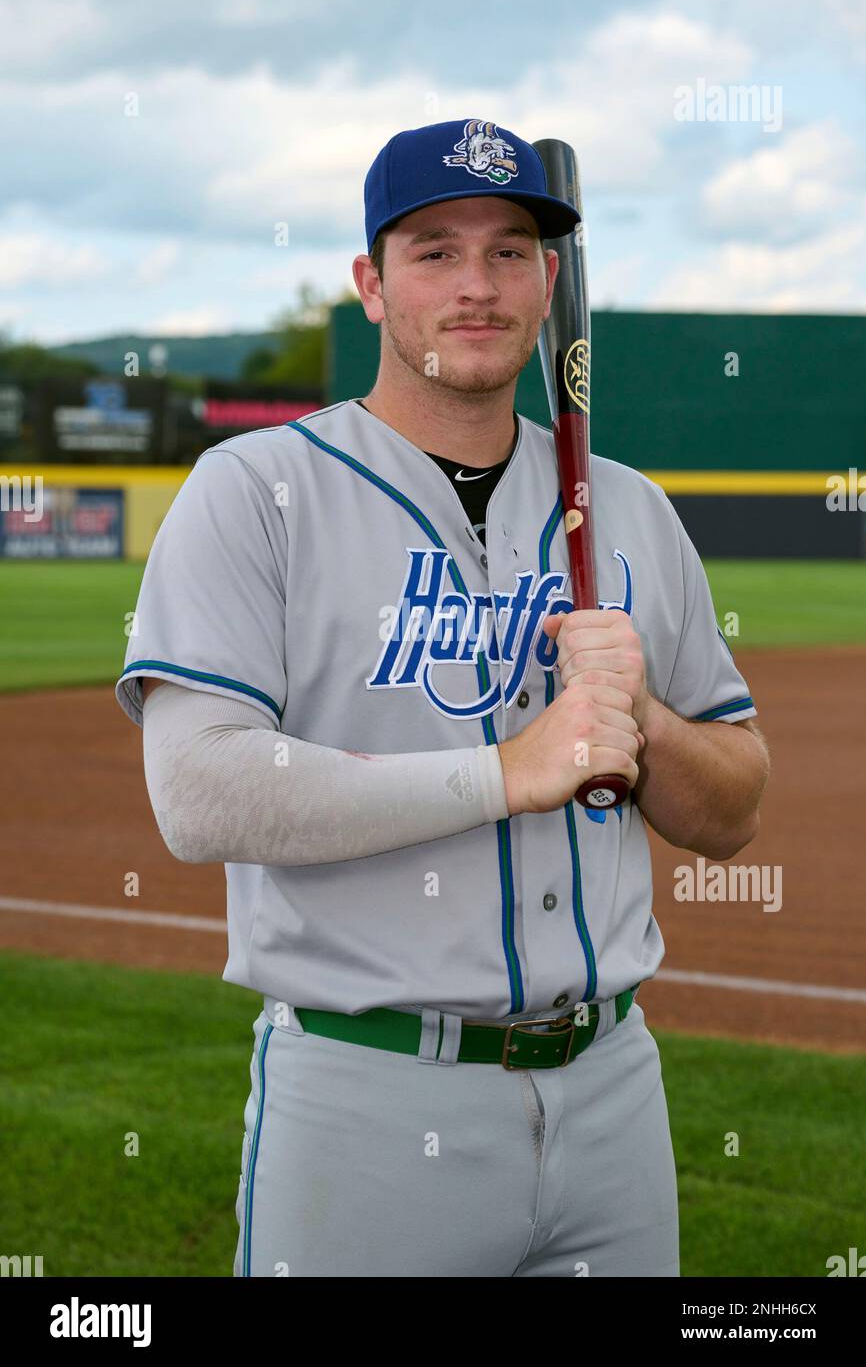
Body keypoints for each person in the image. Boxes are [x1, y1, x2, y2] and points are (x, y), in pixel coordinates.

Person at [116, 117, 770, 1278]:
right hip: (368, 1095)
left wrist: (640, 721)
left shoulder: (631, 512)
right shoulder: (253, 490)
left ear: (547, 280)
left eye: (508, 250)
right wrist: (508, 770)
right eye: (433, 251)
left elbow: (730, 809)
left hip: (614, 1087)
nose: (476, 286)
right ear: (370, 284)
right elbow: (199, 791)